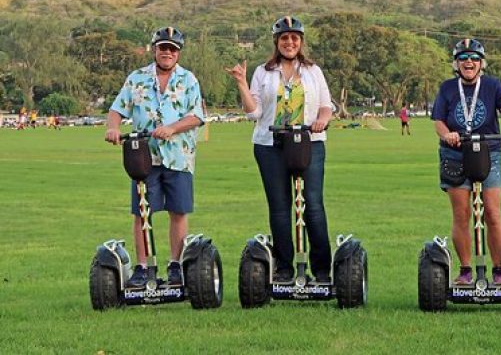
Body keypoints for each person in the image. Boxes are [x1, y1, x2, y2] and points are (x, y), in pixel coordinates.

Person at [226, 16, 333, 283]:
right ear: (277, 41)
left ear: (301, 41)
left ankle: (322, 270)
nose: (289, 42)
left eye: (294, 37)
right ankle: (284, 268)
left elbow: (326, 105)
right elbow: (254, 113)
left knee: (313, 205)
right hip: (269, 145)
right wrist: (240, 82)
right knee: (280, 207)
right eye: (284, 38)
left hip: (309, 143)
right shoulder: (263, 71)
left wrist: (322, 120)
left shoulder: (313, 71)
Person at [105, 26, 205, 287]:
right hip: (143, 158)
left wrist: (173, 128)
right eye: (163, 47)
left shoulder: (188, 80)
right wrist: (113, 127)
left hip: (178, 156)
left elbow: (197, 116)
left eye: (173, 48)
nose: (168, 52)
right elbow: (117, 109)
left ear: (178, 52)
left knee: (178, 211)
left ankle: (176, 265)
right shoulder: (136, 78)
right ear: (154, 49)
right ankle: (142, 267)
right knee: (142, 213)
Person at [432, 38, 501, 285]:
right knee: (461, 214)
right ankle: (464, 270)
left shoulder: (492, 86)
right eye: (463, 58)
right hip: (455, 154)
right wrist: (446, 134)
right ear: (456, 63)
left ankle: (498, 270)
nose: (468, 62)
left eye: (473, 58)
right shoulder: (448, 88)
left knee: (492, 213)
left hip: (488, 152)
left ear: (481, 63)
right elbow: (439, 120)